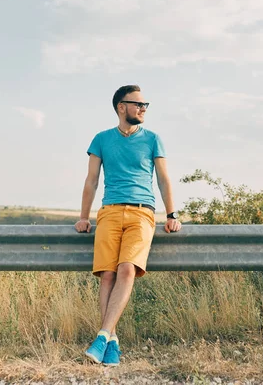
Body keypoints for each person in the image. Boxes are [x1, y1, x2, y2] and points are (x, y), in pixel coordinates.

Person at [74, 84, 182, 366]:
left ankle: (101, 336)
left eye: (146, 104)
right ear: (121, 107)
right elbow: (92, 180)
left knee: (126, 269)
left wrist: (171, 215)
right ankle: (112, 341)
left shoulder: (153, 139)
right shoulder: (101, 139)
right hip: (108, 212)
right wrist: (84, 217)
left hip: (141, 213)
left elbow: (163, 179)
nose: (144, 108)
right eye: (138, 104)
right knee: (107, 275)